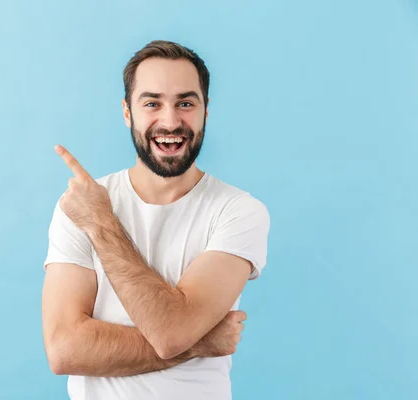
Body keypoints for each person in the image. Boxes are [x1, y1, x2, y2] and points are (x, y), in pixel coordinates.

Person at [42, 40, 271, 400]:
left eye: (185, 103)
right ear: (127, 112)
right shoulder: (82, 204)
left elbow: (171, 334)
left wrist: (101, 224)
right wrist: (198, 344)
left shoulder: (239, 211)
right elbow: (64, 349)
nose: (170, 121)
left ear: (205, 110)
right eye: (152, 103)